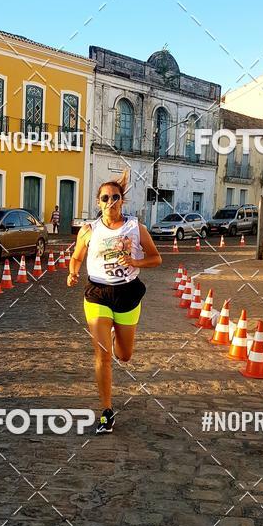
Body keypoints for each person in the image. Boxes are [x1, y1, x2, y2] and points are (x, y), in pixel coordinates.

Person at [67, 171, 162, 433]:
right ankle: (107, 412)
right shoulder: (89, 230)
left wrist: (136, 262)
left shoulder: (136, 228)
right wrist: (73, 272)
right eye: (105, 198)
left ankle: (114, 339)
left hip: (128, 292)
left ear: (122, 201)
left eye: (115, 197)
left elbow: (156, 258)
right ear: (98, 202)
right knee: (103, 355)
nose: (110, 201)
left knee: (125, 355)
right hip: (97, 293)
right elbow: (76, 257)